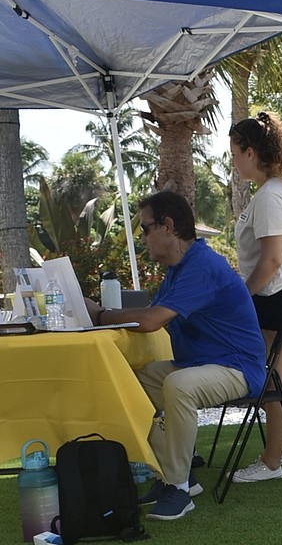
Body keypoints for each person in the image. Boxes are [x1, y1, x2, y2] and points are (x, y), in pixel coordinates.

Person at [86, 190, 266, 521]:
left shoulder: (201, 265)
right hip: (201, 363)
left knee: (178, 385)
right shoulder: (179, 269)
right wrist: (105, 315)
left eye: (145, 229)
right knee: (126, 385)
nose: (142, 238)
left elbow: (153, 320)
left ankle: (179, 488)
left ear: (168, 226)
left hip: (238, 367)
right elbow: (153, 315)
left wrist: (98, 315)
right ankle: (172, 474)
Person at [228, 111, 282, 484]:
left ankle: (270, 462)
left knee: (271, 379)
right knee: (270, 377)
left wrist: (238, 297)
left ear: (251, 152)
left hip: (278, 295)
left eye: (234, 152)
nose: (232, 160)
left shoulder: (271, 197)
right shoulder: (278, 191)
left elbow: (272, 260)